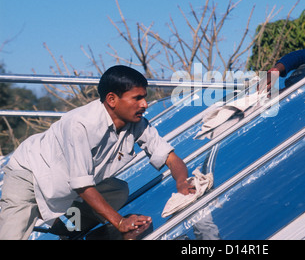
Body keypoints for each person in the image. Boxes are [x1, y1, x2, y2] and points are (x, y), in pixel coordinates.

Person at [0, 65, 195, 240]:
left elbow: (170, 157)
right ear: (112, 99)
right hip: (29, 175)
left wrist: (181, 182)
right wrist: (120, 222)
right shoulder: (81, 125)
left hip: (64, 186)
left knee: (117, 191)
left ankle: (71, 230)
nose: (144, 104)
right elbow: (83, 187)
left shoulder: (137, 124)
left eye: (144, 97)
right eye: (137, 98)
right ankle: (59, 224)